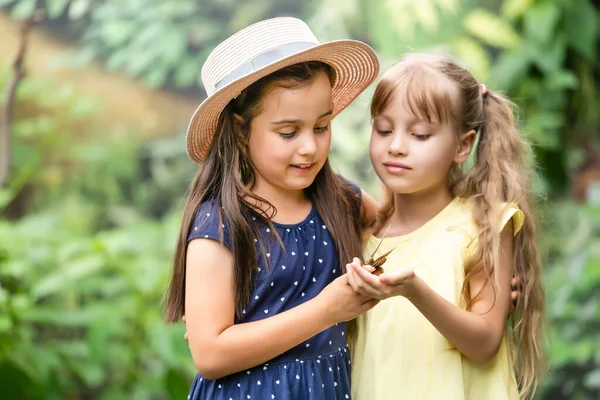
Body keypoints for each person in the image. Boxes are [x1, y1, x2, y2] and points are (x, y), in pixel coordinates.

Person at [163, 17, 382, 399]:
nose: (309, 148)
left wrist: (481, 268)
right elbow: (210, 353)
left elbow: (404, 235)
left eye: (321, 127)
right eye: (288, 133)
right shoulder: (221, 223)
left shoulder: (340, 199)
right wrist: (326, 310)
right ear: (241, 130)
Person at [347, 53, 546, 400]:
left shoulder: (484, 224)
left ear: (463, 145)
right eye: (383, 130)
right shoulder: (365, 235)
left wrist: (414, 290)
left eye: (420, 135)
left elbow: (484, 342)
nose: (396, 147)